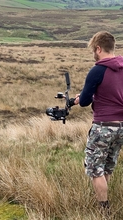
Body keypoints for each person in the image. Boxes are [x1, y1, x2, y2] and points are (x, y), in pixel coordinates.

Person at [74, 31, 123, 214]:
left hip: (103, 126)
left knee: (95, 168)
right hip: (121, 127)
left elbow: (85, 101)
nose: (93, 54)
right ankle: (105, 200)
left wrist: (83, 97)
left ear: (99, 48)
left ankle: (104, 211)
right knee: (108, 165)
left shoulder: (97, 70)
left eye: (94, 50)